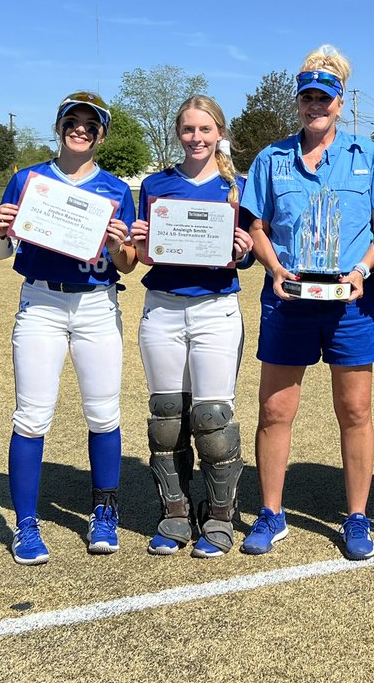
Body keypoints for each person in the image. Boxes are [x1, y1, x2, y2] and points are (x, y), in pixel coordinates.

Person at [240, 44, 374, 560]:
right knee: (275, 410)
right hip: (288, 300)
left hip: (351, 302)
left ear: (339, 102)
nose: (317, 106)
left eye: (325, 99)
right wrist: (273, 267)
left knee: (355, 410)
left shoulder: (369, 156)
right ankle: (272, 512)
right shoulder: (271, 159)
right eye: (308, 98)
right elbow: (257, 227)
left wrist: (361, 270)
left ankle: (356, 516)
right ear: (298, 103)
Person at [0, 91, 136, 565]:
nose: (81, 130)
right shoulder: (27, 179)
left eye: (91, 125)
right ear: (59, 126)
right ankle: (26, 524)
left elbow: (129, 264)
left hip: (96, 305)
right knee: (31, 417)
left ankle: (104, 512)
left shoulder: (115, 189)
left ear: (101, 136)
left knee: (103, 413)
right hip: (42, 302)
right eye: (73, 121)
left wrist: (117, 247)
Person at [123, 96, 254, 559]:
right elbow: (141, 257)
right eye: (187, 130)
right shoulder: (156, 185)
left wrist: (242, 249)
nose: (196, 138)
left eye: (204, 130)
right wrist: (137, 242)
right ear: (178, 134)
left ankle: (220, 516)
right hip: (162, 307)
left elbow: (249, 251)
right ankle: (174, 511)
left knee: (212, 416)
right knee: (166, 416)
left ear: (219, 132)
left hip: (215, 308)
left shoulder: (236, 186)